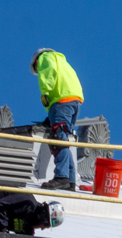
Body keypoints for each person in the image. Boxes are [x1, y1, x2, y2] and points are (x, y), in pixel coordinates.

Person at [31, 48, 84, 191]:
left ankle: (61, 177)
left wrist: (45, 92)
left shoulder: (45, 58)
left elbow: (48, 72)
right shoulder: (62, 61)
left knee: (57, 138)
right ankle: (71, 180)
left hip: (62, 101)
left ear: (36, 62)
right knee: (63, 139)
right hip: (74, 101)